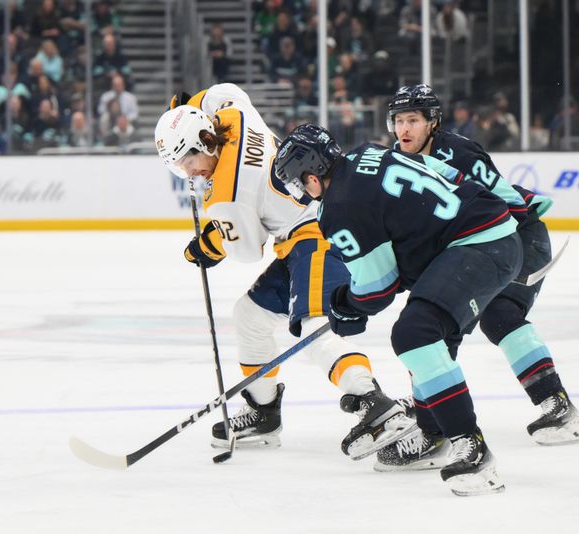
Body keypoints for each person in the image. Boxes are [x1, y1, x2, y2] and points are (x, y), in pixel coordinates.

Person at [154, 83, 414, 458]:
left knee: (312, 329)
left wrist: (208, 245)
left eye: (188, 162)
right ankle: (264, 410)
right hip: (304, 235)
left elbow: (245, 249)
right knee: (250, 315)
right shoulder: (234, 117)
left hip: (318, 237)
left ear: (203, 144)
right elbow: (224, 91)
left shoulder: (224, 195)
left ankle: (374, 404)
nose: (189, 172)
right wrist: (187, 106)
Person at [274, 123, 522, 496]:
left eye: (297, 184)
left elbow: (378, 289)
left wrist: (346, 305)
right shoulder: (365, 153)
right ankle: (433, 432)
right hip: (489, 235)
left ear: (311, 174)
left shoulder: (339, 207)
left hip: (478, 245)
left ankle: (471, 447)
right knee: (432, 336)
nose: (302, 194)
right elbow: (438, 176)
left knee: (414, 333)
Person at [383, 84, 579, 470]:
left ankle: (556, 404)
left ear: (432, 122)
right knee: (433, 328)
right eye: (398, 120)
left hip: (515, 234)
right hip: (466, 244)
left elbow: (500, 206)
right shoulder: (396, 158)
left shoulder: (459, 153)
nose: (404, 129)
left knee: (498, 316)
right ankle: (433, 417)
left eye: (412, 120)